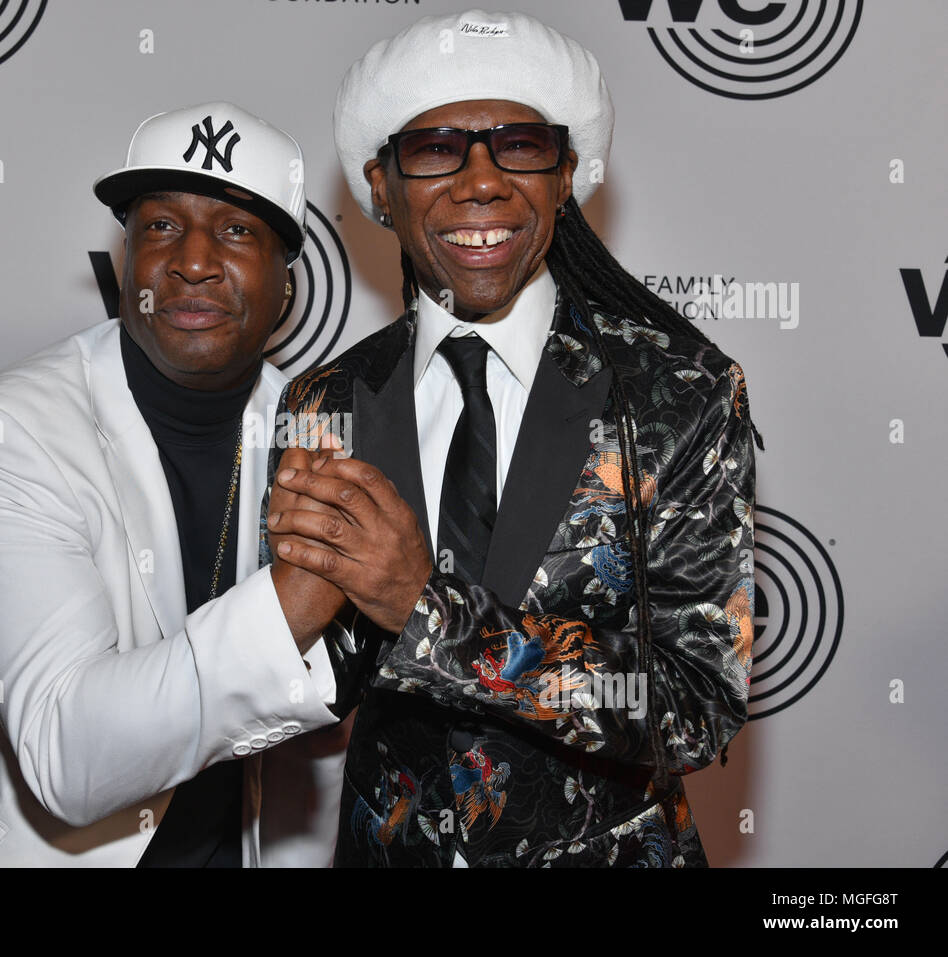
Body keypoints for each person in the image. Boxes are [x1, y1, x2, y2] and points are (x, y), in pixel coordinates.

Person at [264, 9, 762, 867]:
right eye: (434, 148)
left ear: (565, 176)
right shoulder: (326, 399)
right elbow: (312, 686)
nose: (482, 180)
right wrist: (292, 620)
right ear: (380, 187)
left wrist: (428, 608)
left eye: (520, 146)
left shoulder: (677, 394)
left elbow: (694, 705)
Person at [0, 101, 350, 867]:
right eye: (161, 226)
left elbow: (323, 745)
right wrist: (293, 601)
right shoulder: (4, 434)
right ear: (126, 259)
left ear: (287, 286)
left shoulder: (324, 433)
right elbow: (65, 753)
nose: (192, 260)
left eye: (236, 231)